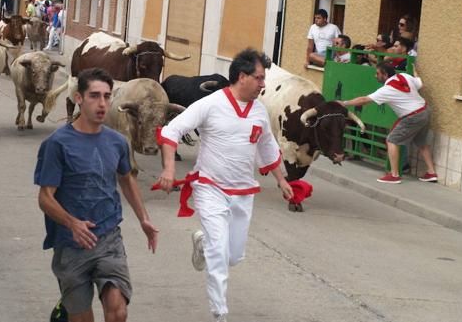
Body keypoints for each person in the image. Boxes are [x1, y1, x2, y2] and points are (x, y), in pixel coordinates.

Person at [155, 49, 294, 322]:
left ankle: (203, 241)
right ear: (242, 76)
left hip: (243, 193)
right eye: (259, 78)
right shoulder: (210, 104)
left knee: (233, 256)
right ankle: (220, 313)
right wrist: (169, 169)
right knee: (219, 254)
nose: (263, 84)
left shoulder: (259, 112)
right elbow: (172, 130)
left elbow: (267, 148)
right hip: (210, 188)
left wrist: (282, 180)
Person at [35, 68, 158, 322]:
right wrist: (72, 223)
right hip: (71, 244)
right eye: (94, 96)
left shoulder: (117, 142)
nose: (102, 103)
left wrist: (143, 218)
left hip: (108, 238)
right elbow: (45, 197)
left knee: (117, 311)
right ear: (78, 98)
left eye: (107, 96)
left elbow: (126, 179)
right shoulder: (57, 144)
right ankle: (66, 308)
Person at [338, 63, 438, 184]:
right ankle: (432, 173)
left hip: (413, 115)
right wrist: (416, 72)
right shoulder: (404, 76)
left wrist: (344, 103)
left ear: (385, 75)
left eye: (378, 73)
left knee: (391, 140)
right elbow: (419, 82)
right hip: (425, 110)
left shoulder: (387, 89)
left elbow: (364, 100)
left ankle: (394, 175)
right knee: (421, 143)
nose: (376, 76)